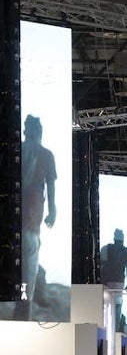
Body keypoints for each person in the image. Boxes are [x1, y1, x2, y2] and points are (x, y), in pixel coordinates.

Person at [20, 114, 56, 308]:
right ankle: (24, 308)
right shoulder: (45, 155)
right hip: (31, 222)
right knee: (28, 273)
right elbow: (50, 186)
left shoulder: (17, 151)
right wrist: (53, 210)